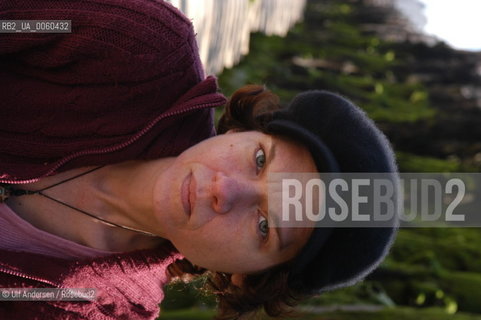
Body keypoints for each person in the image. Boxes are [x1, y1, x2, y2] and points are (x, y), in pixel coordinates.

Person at [0, 0, 398, 319]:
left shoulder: (92, 306)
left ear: (247, 279)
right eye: (260, 160)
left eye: (264, 226)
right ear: (245, 132)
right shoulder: (141, 48)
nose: (225, 189)